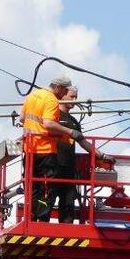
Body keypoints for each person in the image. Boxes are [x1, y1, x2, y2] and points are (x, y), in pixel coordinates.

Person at [21, 74, 82, 221]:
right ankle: (41, 220)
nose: (63, 94)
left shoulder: (33, 96)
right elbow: (48, 123)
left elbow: (22, 118)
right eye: (64, 91)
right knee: (47, 189)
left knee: (33, 186)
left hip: (29, 149)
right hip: (45, 150)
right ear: (59, 87)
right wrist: (68, 131)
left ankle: (32, 217)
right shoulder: (51, 100)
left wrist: (35, 128)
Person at [52, 87, 111, 223]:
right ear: (62, 95)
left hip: (68, 168)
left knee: (68, 203)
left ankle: (66, 231)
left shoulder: (73, 121)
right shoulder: (52, 116)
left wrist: (102, 155)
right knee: (48, 199)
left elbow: (83, 143)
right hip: (52, 165)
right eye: (71, 97)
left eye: (76, 97)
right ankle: (41, 228)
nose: (74, 100)